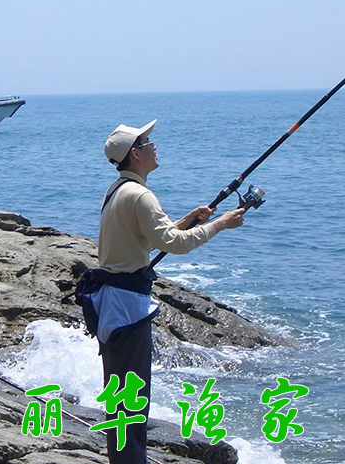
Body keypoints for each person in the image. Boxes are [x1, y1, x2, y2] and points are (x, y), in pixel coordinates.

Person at [83, 119, 245, 464]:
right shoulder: (140, 195)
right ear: (136, 154)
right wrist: (219, 224)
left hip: (111, 302)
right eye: (148, 143)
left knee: (121, 392)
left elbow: (152, 235)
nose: (155, 147)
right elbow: (173, 244)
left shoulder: (117, 189)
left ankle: (125, 458)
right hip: (126, 307)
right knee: (132, 394)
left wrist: (190, 218)